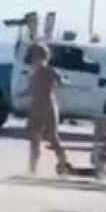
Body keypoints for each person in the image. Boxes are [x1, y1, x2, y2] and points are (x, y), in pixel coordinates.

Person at [22, 43, 73, 176]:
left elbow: (62, 82)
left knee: (52, 137)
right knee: (34, 139)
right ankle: (32, 169)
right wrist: (22, 94)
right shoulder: (33, 73)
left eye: (36, 58)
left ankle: (63, 164)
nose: (34, 61)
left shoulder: (50, 71)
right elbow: (31, 89)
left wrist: (64, 81)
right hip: (36, 107)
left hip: (48, 107)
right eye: (33, 58)